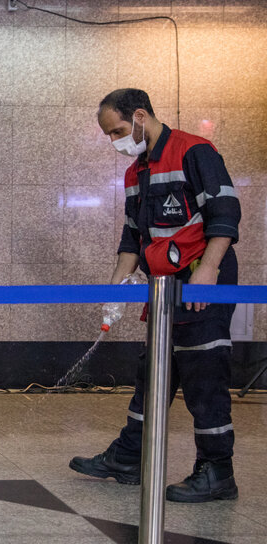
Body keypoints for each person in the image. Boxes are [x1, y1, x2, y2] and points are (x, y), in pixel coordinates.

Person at [70, 88, 241, 503]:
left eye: (119, 131)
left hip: (202, 279)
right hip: (163, 286)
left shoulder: (194, 152)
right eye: (110, 136)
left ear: (142, 116)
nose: (116, 142)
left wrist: (208, 273)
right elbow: (132, 238)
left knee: (203, 376)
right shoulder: (136, 173)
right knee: (154, 372)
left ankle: (217, 472)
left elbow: (225, 215)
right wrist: (114, 292)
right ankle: (130, 456)